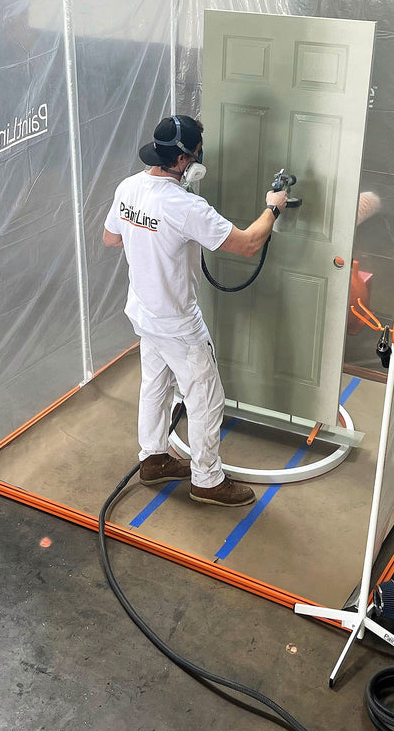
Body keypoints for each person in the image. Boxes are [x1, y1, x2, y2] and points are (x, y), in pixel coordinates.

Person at [102, 115, 287, 507]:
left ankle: (152, 460)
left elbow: (110, 238)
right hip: (176, 321)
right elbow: (249, 244)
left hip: (143, 310)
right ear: (185, 160)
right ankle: (207, 479)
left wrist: (151, 239)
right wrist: (274, 208)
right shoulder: (186, 207)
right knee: (205, 396)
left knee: (155, 383)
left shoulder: (130, 186)